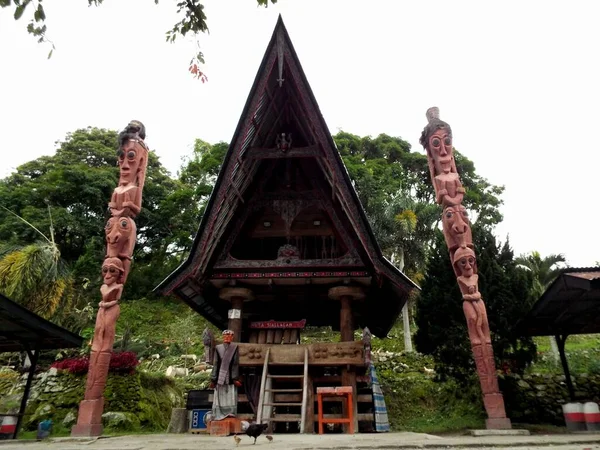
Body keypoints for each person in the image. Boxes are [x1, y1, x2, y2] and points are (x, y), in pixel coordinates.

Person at [209, 330, 242, 420]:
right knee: (220, 396)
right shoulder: (218, 348)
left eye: (229, 336)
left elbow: (235, 363)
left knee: (231, 396)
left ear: (232, 337)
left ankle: (230, 414)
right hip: (220, 377)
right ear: (223, 337)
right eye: (225, 335)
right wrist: (213, 379)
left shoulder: (234, 347)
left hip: (231, 376)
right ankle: (219, 414)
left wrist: (235, 378)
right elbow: (216, 363)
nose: (227, 337)